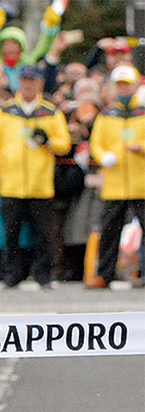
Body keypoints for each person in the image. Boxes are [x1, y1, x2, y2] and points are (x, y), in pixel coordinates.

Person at [0, 65, 70, 289]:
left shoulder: (50, 112)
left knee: (44, 233)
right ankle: (12, 274)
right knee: (10, 233)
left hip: (39, 183)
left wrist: (47, 142)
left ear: (40, 84)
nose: (28, 85)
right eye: (24, 81)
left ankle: (44, 274)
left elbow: (64, 144)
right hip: (11, 183)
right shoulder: (6, 111)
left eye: (32, 81)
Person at [88, 65, 145, 288]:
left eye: (127, 84)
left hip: (141, 182)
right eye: (120, 85)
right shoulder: (106, 114)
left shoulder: (143, 112)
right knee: (109, 230)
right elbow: (96, 144)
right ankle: (104, 273)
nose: (124, 89)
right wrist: (104, 157)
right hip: (115, 183)